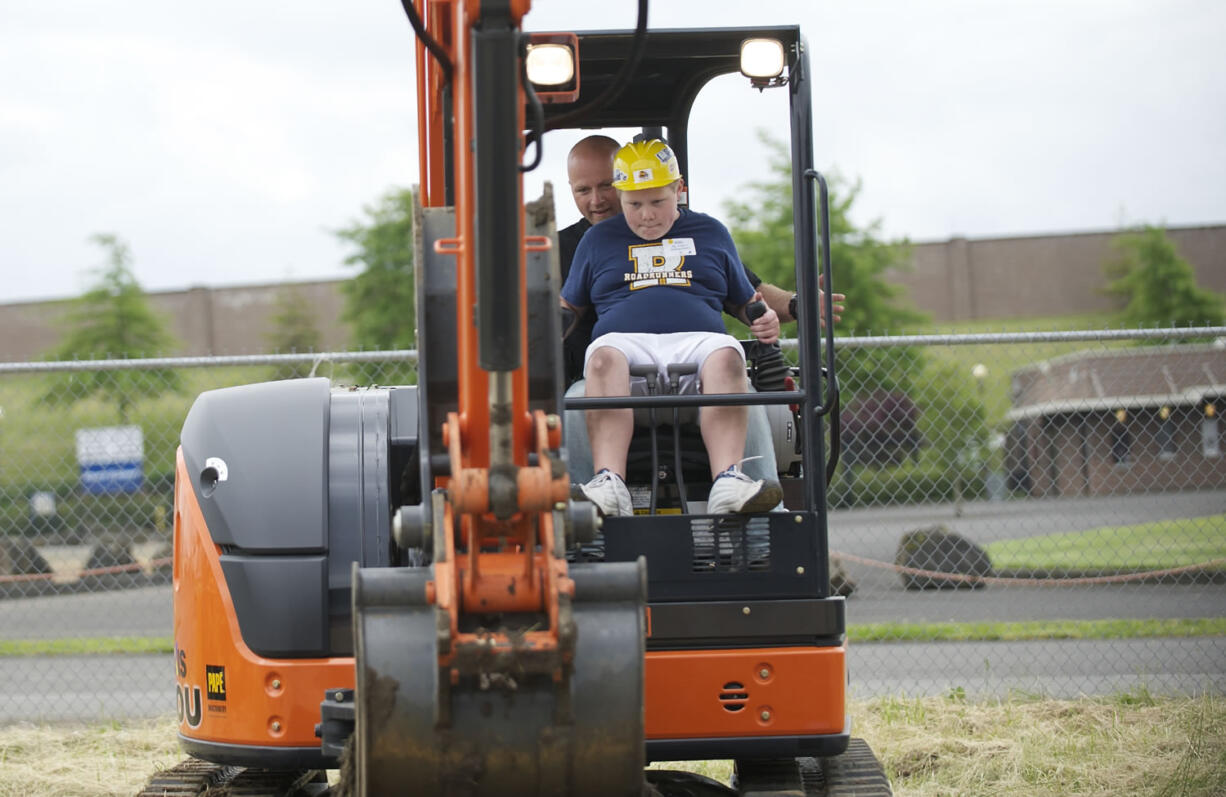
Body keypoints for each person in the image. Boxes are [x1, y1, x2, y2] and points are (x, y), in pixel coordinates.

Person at [560, 139, 783, 516]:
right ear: (622, 196)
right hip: (623, 352)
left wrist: (765, 316)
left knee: (732, 363)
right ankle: (604, 486)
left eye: (657, 202)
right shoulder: (595, 240)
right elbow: (568, 307)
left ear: (679, 191)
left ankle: (731, 483)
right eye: (634, 204)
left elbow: (747, 298)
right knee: (590, 377)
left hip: (699, 351)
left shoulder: (710, 233)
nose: (646, 215)